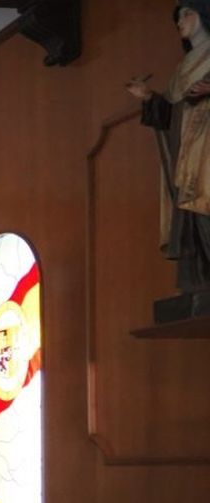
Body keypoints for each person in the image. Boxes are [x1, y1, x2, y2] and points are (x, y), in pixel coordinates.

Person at [128, 1, 210, 295]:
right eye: (177, 18)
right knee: (190, 212)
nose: (180, 22)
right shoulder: (182, 69)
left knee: (204, 205)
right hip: (185, 150)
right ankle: (199, 284)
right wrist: (149, 97)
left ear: (202, 14)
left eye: (186, 14)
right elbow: (172, 113)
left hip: (206, 150)